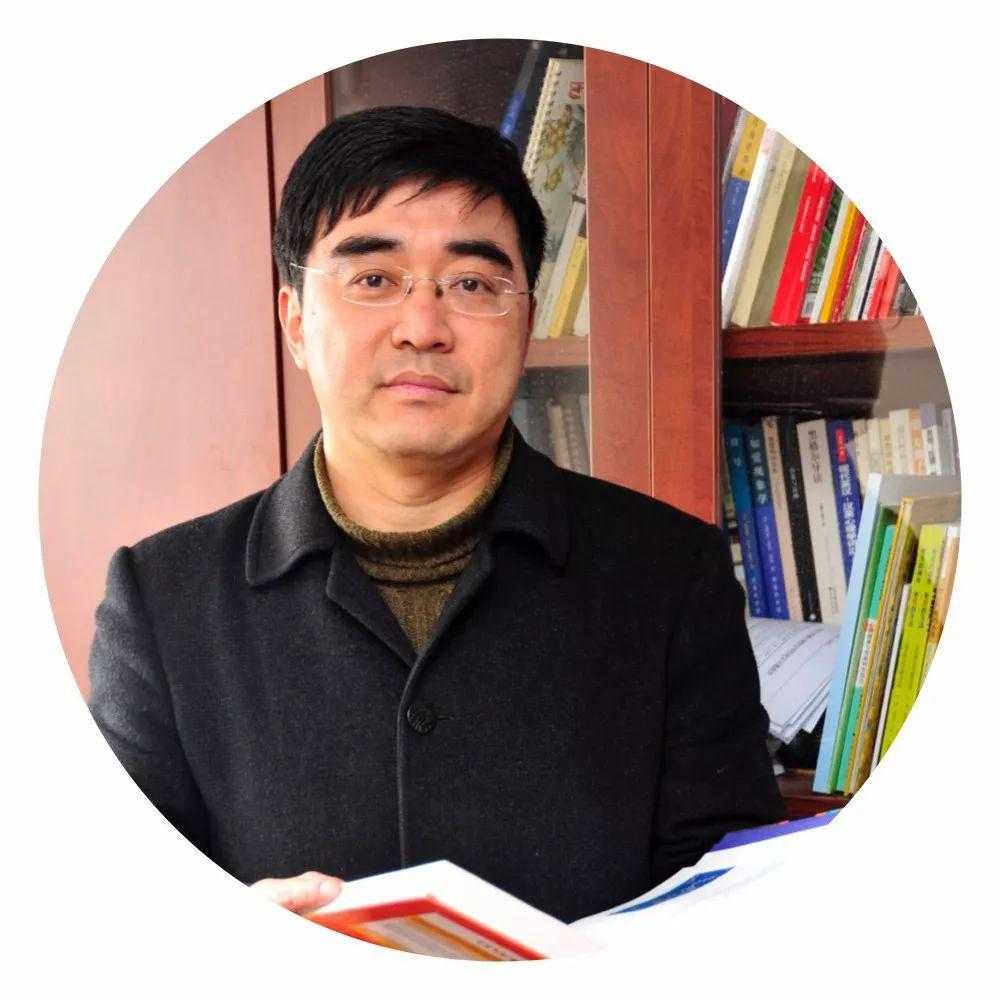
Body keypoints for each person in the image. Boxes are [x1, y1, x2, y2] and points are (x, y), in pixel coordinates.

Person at [88, 105, 784, 925]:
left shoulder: (670, 576)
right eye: (373, 280)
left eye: (473, 285)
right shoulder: (162, 600)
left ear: (527, 323)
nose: (423, 329)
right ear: (295, 321)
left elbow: (732, 905)